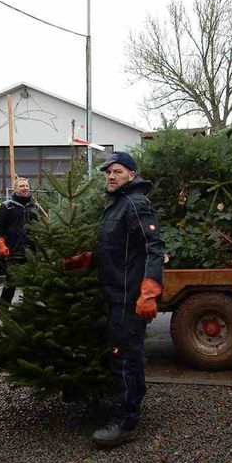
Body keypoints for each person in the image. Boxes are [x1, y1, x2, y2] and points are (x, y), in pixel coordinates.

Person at [64, 151, 164, 447]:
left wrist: (148, 293)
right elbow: (118, 250)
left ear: (131, 175)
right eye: (108, 171)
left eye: (117, 171)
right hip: (115, 293)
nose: (110, 175)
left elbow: (153, 249)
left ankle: (126, 420)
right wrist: (87, 260)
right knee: (124, 354)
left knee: (125, 357)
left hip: (129, 297)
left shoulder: (136, 204)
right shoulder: (117, 205)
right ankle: (129, 403)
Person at [0, 177, 39, 305]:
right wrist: (0, 243)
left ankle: (27, 311)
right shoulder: (7, 206)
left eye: (26, 185)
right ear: (15, 189)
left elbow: (39, 226)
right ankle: (3, 311)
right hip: (13, 251)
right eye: (21, 186)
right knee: (11, 283)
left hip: (30, 251)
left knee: (30, 285)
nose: (25, 188)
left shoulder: (33, 206)